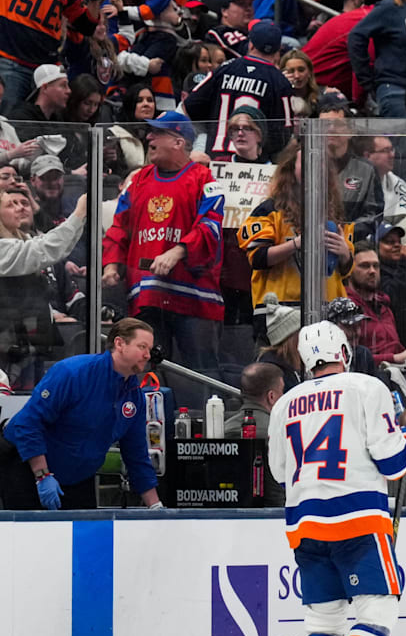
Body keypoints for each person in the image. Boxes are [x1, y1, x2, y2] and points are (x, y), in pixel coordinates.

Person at [267, 321, 406, 636]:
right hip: (356, 516)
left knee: (323, 619)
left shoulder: (284, 403)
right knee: (380, 603)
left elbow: (280, 472)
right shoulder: (366, 387)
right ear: (343, 350)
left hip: (304, 523)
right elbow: (393, 461)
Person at [100, 112, 225, 405]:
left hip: (194, 297)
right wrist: (111, 264)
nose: (149, 138)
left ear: (179, 141)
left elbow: (211, 226)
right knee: (144, 370)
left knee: (199, 373)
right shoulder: (139, 180)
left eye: (158, 133)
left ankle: (204, 433)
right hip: (146, 295)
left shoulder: (204, 178)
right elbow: (119, 226)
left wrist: (177, 251)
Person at [0, 318, 160, 510]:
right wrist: (42, 475)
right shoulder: (73, 373)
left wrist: (155, 506)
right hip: (28, 467)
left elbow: (136, 454)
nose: (147, 355)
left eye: (149, 349)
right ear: (119, 344)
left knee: (84, 536)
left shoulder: (135, 397)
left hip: (78, 477)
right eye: (142, 346)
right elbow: (29, 423)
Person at [240, 143, 354, 341]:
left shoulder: (337, 214)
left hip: (327, 312)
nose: (315, 167)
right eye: (308, 161)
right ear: (291, 168)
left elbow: (344, 271)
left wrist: (345, 254)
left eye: (321, 162)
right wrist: (297, 243)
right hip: (279, 313)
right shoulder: (269, 210)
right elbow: (257, 257)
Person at [182, 20, 293, 161]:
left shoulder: (224, 69)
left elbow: (190, 106)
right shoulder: (280, 81)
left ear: (251, 44)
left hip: (216, 158)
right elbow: (284, 133)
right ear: (278, 50)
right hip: (254, 166)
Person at [347, 245, 406, 366]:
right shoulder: (347, 308)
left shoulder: (384, 307)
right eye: (364, 266)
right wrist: (395, 358)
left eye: (376, 266)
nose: (372, 271)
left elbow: (395, 349)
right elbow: (350, 359)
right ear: (350, 270)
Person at [223, 361, 286, 507]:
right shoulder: (279, 431)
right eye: (282, 391)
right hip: (274, 516)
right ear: (271, 396)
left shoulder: (223, 429)